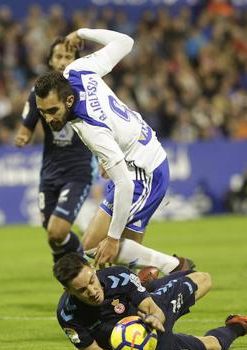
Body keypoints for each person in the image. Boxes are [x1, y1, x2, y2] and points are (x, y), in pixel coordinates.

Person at [33, 28, 192, 274]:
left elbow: (125, 184)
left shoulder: (89, 128)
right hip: (132, 154)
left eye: (52, 111)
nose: (48, 119)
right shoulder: (77, 71)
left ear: (68, 102)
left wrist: (113, 238)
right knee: (92, 249)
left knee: (111, 249)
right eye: (42, 112)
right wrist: (83, 32)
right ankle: (150, 279)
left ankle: (175, 267)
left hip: (144, 170)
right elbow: (125, 41)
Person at [54, 252, 247, 350]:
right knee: (212, 346)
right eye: (82, 291)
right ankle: (239, 326)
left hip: (149, 315)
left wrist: (155, 318)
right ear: (68, 291)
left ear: (93, 269)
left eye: (92, 281)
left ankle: (144, 284)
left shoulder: (118, 276)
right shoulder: (67, 314)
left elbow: (152, 308)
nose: (92, 291)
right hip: (148, 344)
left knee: (204, 279)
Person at [14, 38, 95, 262]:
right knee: (52, 233)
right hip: (49, 171)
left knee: (57, 231)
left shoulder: (85, 90)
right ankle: (76, 269)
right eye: (58, 56)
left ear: (76, 60)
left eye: (68, 57)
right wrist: (23, 135)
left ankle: (82, 267)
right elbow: (28, 123)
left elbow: (101, 125)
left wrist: (106, 158)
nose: (62, 61)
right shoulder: (39, 92)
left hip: (78, 170)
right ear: (50, 60)